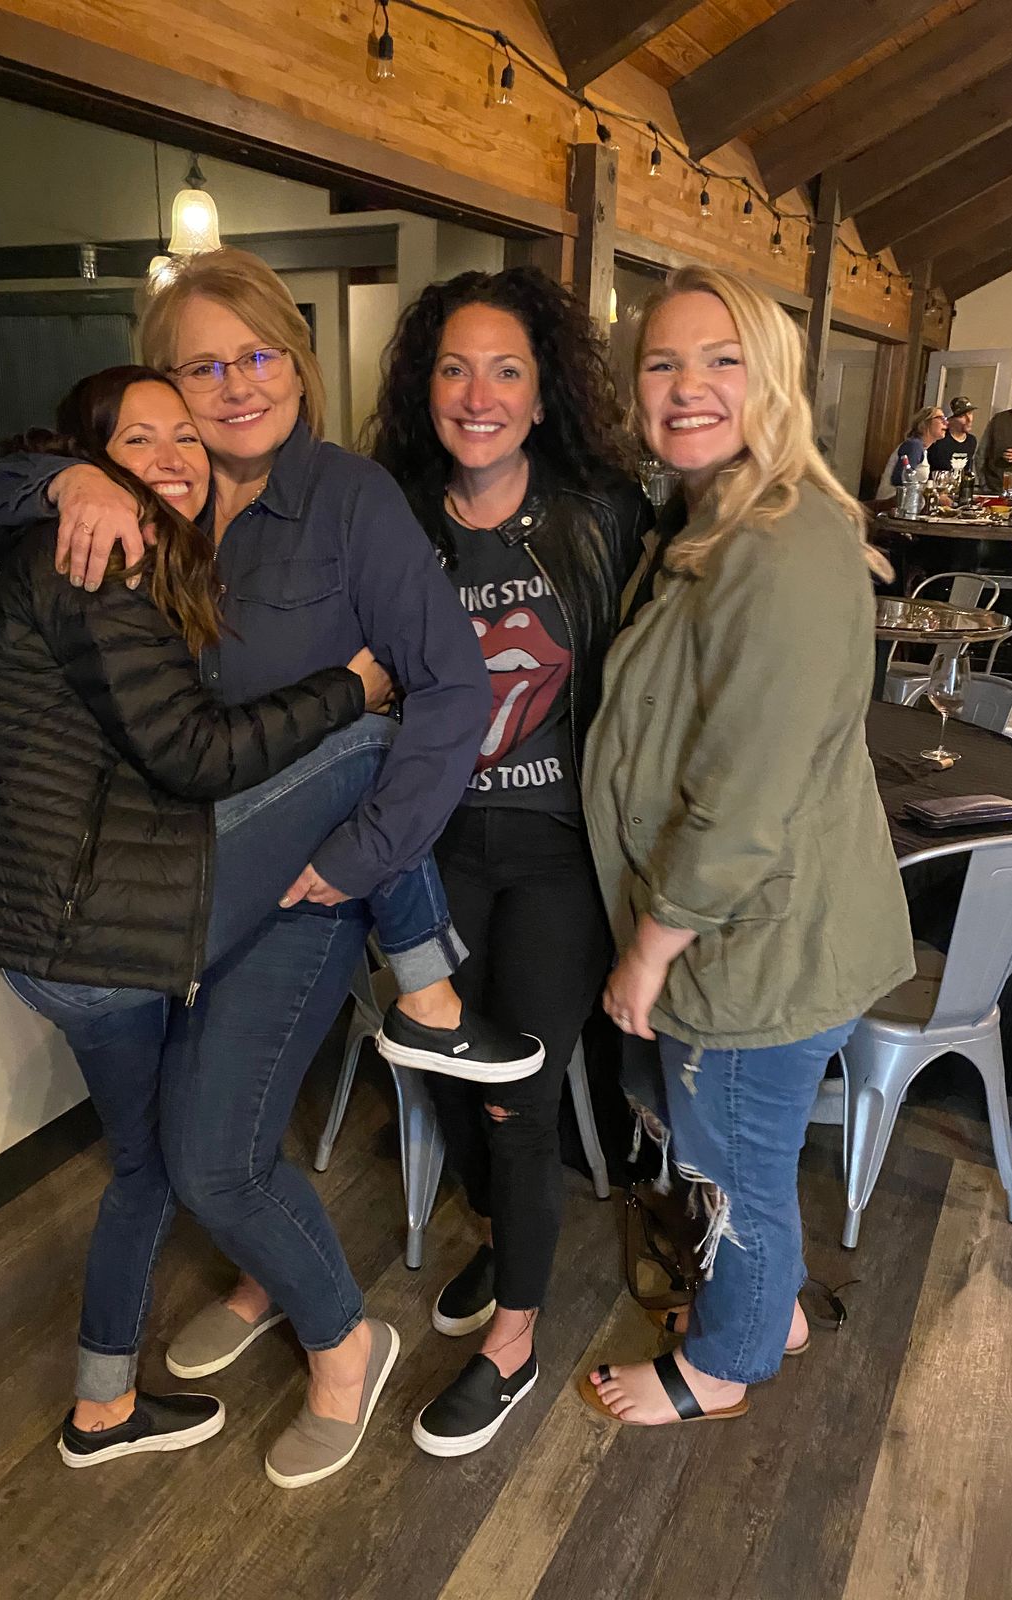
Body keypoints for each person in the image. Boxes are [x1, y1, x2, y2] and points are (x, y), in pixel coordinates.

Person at [0, 248, 523, 1487]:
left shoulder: (351, 497)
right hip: (171, 884)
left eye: (258, 355)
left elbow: (449, 691)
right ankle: (269, 1278)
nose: (236, 384)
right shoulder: (150, 502)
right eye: (202, 368)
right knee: (194, 1141)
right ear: (163, 387)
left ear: (299, 368)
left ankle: (345, 1345)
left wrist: (362, 860)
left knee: (212, 1152)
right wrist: (63, 477)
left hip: (304, 882)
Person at [580, 265, 913, 1429]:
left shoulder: (777, 541)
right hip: (751, 933)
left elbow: (744, 795)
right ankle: (771, 1315)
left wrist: (650, 951)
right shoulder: (716, 521)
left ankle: (725, 1365)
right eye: (663, 362)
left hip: (751, 946)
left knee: (732, 1169)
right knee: (747, 1158)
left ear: (771, 378)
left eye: (721, 360)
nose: (687, 386)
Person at [366, 266, 649, 1456]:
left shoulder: (605, 514)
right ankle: (499, 1236)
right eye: (454, 368)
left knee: (519, 1096)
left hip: (556, 856)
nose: (477, 395)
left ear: (542, 396)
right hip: (432, 856)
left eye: (506, 371)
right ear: (424, 388)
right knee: (443, 1073)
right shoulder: (391, 516)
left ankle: (515, 1340)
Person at [876, 404, 947, 500]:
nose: (946, 422)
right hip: (893, 503)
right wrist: (932, 494)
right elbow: (900, 479)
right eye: (941, 418)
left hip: (906, 502)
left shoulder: (921, 447)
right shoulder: (914, 445)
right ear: (926, 422)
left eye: (945, 419)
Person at [926, 395, 976, 476]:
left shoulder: (971, 441)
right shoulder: (938, 439)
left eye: (970, 413)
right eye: (962, 416)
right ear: (949, 420)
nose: (969, 419)